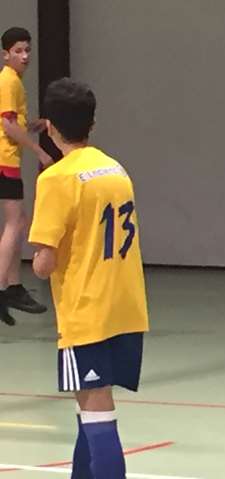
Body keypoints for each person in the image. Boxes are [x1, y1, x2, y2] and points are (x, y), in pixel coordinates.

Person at [29, 78, 149, 478]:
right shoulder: (115, 169)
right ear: (92, 123)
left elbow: (44, 263)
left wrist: (38, 259)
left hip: (87, 309)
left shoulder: (56, 178)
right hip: (126, 306)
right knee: (90, 406)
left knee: (98, 411)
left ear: (49, 126)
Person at [0, 27, 52, 325]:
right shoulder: (8, 81)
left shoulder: (13, 81)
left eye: (27, 50)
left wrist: (33, 124)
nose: (25, 56)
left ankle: (13, 287)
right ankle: (3, 288)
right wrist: (39, 151)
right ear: (5, 54)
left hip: (8, 159)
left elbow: (13, 121)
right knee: (15, 222)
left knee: (18, 221)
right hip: (5, 160)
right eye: (18, 51)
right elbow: (7, 126)